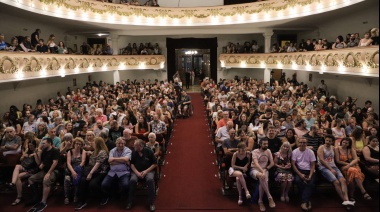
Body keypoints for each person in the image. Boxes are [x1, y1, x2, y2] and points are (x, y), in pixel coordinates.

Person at [317, 135, 354, 208]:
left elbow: (339, 154)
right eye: (327, 140)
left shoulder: (333, 148)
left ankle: (346, 199)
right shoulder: (321, 147)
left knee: (343, 180)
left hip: (334, 166)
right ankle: (344, 201)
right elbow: (321, 160)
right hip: (324, 167)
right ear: (325, 140)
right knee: (336, 182)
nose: (328, 142)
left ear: (332, 142)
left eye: (330, 141)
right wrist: (331, 169)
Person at [26, 137, 60, 212]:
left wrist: (48, 173)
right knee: (31, 179)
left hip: (54, 171)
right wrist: (36, 155)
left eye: (44, 143)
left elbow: (55, 163)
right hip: (44, 170)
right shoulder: (44, 151)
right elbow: (39, 164)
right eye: (42, 143)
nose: (42, 144)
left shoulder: (55, 151)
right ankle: (36, 198)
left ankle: (43, 202)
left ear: (49, 143)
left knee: (46, 181)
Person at [75, 137, 109, 210]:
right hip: (93, 170)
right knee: (83, 181)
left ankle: (104, 196)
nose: (92, 143)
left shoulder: (103, 152)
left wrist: (90, 173)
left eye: (93, 142)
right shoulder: (95, 151)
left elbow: (98, 164)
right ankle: (82, 201)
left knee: (92, 184)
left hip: (101, 172)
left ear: (97, 143)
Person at [126, 139, 157, 212]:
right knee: (132, 180)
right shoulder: (134, 153)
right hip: (136, 171)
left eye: (135, 145)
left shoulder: (149, 151)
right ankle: (130, 201)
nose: (134, 146)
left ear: (141, 146)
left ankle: (151, 203)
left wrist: (146, 171)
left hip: (148, 171)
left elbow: (155, 164)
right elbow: (132, 164)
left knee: (150, 180)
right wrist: (137, 172)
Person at [101, 137, 132, 207]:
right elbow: (109, 161)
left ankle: (122, 196)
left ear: (124, 144)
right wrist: (123, 161)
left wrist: (114, 159)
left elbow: (126, 159)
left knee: (125, 185)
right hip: (112, 171)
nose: (120, 145)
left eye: (122, 143)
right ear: (116, 143)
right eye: (119, 143)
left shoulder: (128, 150)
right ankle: (111, 195)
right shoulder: (112, 150)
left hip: (124, 172)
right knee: (104, 185)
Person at [8, 140, 40, 206]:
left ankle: (19, 197)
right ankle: (12, 183)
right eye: (29, 145)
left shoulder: (38, 151)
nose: (30, 147)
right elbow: (21, 159)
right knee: (17, 166)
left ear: (35, 145)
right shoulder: (27, 149)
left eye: (32, 145)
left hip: (33, 170)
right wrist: (23, 156)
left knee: (18, 177)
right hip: (25, 167)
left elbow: (39, 164)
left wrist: (35, 155)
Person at [249, 138, 275, 211]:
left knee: (263, 179)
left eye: (267, 144)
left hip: (265, 169)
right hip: (254, 169)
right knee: (262, 176)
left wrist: (266, 169)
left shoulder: (268, 151)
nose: (266, 145)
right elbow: (256, 163)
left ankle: (260, 201)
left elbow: (272, 163)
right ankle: (269, 197)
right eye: (264, 144)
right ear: (260, 144)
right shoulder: (255, 151)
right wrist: (262, 171)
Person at [292, 137, 316, 211]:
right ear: (298, 143)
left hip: (309, 171)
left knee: (311, 183)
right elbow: (293, 165)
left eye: (304, 142)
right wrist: (300, 174)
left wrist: (310, 175)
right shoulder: (295, 151)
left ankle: (304, 202)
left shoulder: (310, 152)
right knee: (298, 181)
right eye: (301, 142)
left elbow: (313, 165)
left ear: (306, 143)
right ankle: (307, 200)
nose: (302, 144)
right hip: (299, 170)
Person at [64, 137, 86, 205]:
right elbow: (68, 163)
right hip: (71, 169)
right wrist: (73, 171)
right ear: (74, 144)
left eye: (80, 144)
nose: (78, 145)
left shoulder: (83, 151)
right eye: (77, 144)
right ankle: (66, 197)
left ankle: (75, 195)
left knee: (76, 177)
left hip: (79, 168)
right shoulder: (70, 151)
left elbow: (83, 162)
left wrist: (76, 170)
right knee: (67, 179)